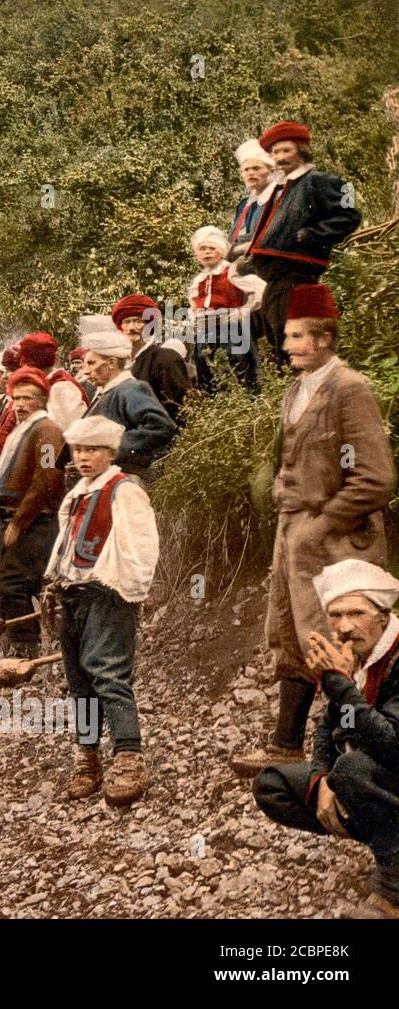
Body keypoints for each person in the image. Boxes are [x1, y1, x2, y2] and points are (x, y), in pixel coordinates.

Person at [234, 284, 394, 776]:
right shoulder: (295, 390)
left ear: (324, 338)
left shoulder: (349, 388)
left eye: (296, 336)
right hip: (294, 534)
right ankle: (286, 745)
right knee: (291, 633)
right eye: (286, 336)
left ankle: (364, 759)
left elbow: (377, 478)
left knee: (343, 640)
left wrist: (322, 523)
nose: (285, 346)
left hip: (340, 541)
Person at [253, 560, 399, 919]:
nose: (345, 627)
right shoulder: (359, 655)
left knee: (351, 769)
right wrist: (320, 780)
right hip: (383, 779)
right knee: (272, 784)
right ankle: (386, 837)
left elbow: (393, 744)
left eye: (356, 613)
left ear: (383, 616)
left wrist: (340, 685)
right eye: (335, 615)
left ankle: (393, 893)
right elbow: (331, 727)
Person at [46, 416, 159, 806]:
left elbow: (141, 545)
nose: (83, 457)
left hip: (107, 594)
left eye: (92, 450)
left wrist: (126, 590)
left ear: (110, 452)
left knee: (108, 673)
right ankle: (88, 758)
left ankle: (128, 756)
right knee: (79, 683)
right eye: (78, 450)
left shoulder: (123, 490)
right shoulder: (78, 492)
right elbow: (66, 540)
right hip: (73, 594)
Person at [239, 120, 361, 368]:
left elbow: (350, 214)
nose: (280, 157)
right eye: (275, 153)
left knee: (287, 330)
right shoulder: (283, 187)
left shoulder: (319, 180)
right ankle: (288, 382)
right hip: (275, 275)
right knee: (273, 330)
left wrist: (313, 234)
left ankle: (301, 378)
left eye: (286, 150)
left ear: (301, 151)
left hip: (296, 270)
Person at [0, 368, 65, 658]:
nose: (19, 404)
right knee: (10, 583)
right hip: (10, 517)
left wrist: (19, 522)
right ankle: (17, 642)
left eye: (27, 398)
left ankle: (25, 651)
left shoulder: (46, 430)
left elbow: (47, 478)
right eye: (16, 398)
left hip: (35, 522)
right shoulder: (22, 429)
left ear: (42, 400)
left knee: (14, 585)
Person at [78, 316, 177, 485]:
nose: (86, 372)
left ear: (112, 363)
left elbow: (162, 426)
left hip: (124, 480)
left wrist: (112, 446)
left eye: (91, 363)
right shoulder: (107, 392)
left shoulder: (129, 389)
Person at [187, 225, 265, 391]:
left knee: (238, 368)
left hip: (230, 328)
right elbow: (194, 304)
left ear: (221, 251)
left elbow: (259, 289)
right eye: (202, 249)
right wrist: (194, 318)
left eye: (211, 248)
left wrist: (243, 310)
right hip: (205, 331)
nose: (206, 252)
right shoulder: (199, 279)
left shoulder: (230, 271)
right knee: (206, 369)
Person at [111, 295, 192, 424]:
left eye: (138, 321)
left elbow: (178, 408)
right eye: (126, 322)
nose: (131, 327)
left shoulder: (166, 359)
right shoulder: (120, 364)